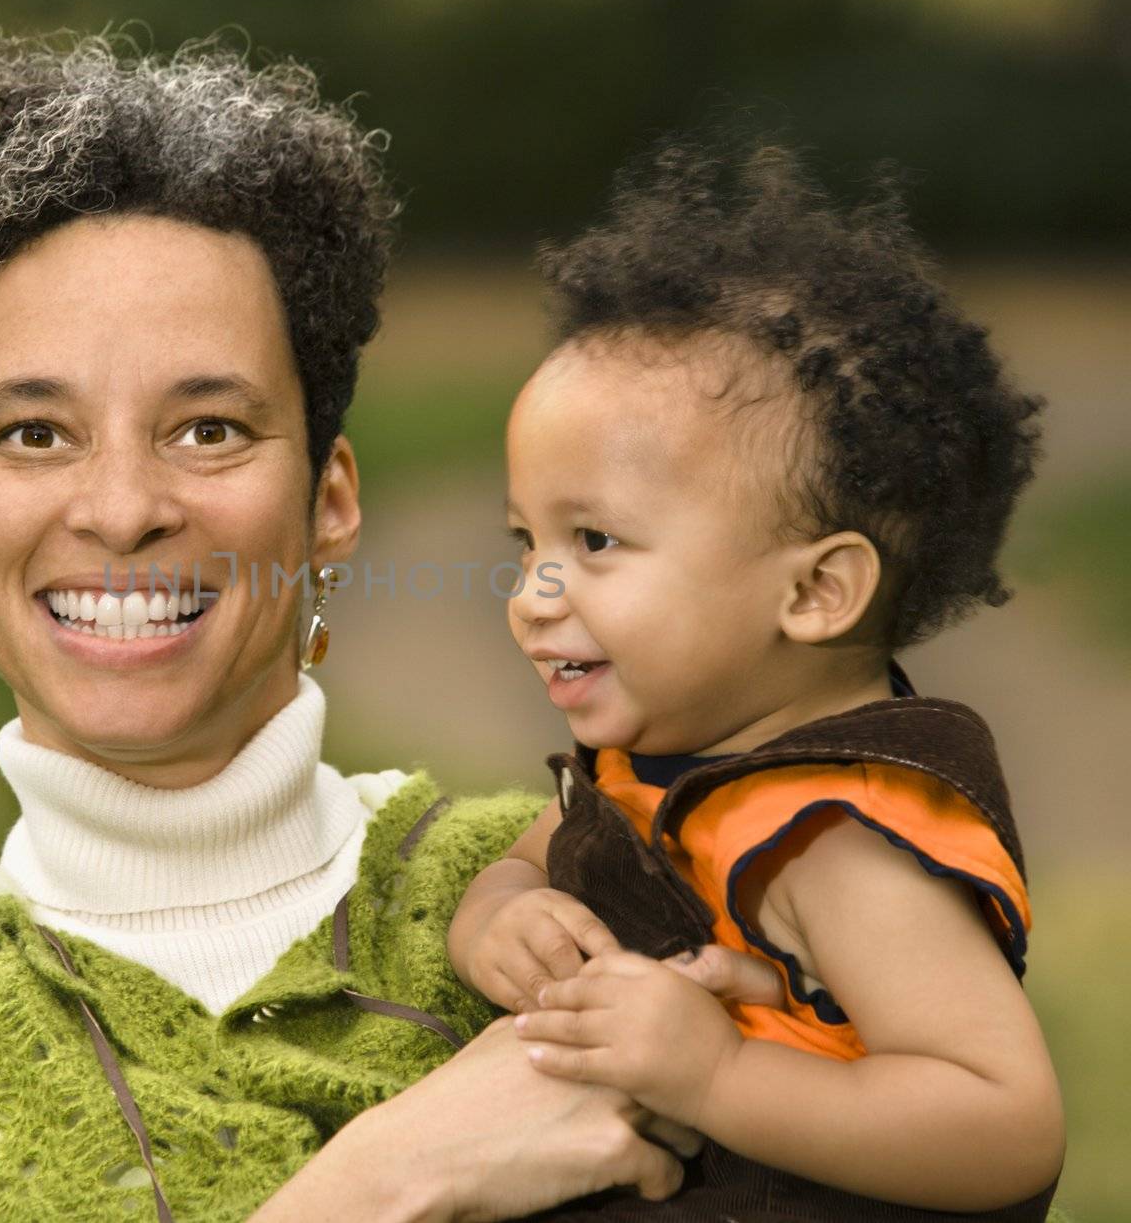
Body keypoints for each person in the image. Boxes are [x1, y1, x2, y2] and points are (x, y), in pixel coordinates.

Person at [0, 32, 780, 1223]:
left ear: (328, 500)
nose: (120, 511)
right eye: (34, 433)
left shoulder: (610, 905)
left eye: (206, 427)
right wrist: (379, 1186)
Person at [447, 136, 1066, 1218]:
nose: (534, 591)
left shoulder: (838, 839)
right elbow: (535, 849)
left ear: (816, 592)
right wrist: (498, 913)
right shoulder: (667, 754)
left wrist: (719, 1075)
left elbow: (1004, 1124)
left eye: (593, 540)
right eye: (523, 540)